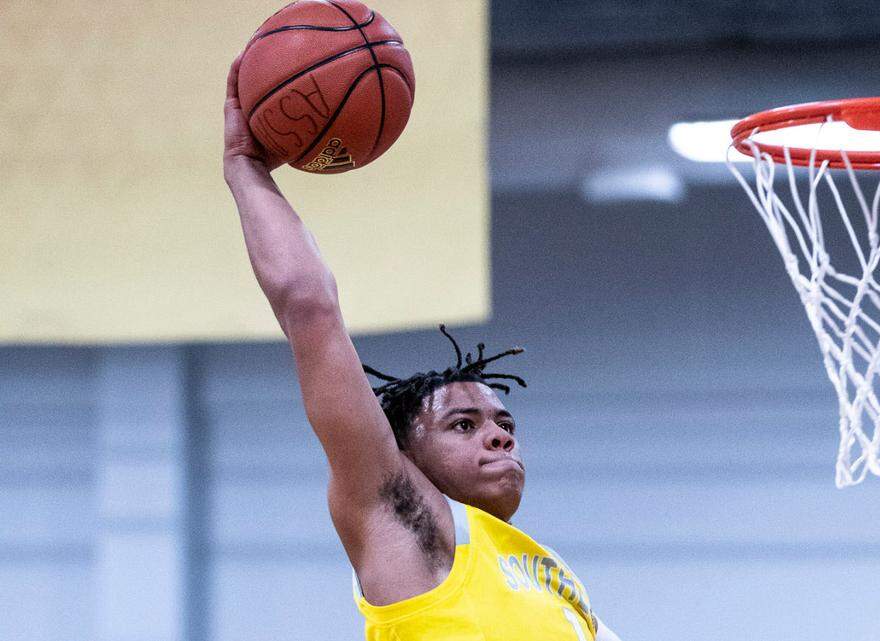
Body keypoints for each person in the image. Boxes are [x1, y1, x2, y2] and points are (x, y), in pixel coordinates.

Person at [222, 54, 622, 640]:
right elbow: (309, 307)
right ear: (404, 456)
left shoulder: (552, 576)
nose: (500, 435)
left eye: (503, 422)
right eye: (463, 425)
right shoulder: (409, 524)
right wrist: (244, 167)